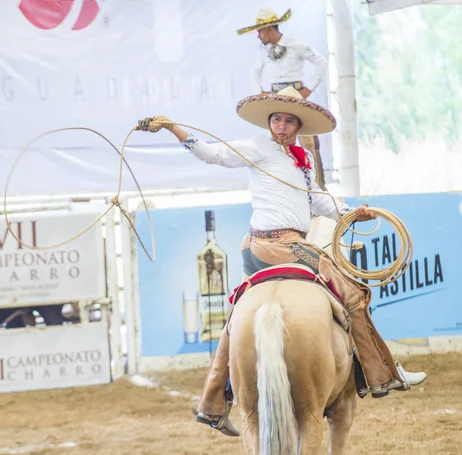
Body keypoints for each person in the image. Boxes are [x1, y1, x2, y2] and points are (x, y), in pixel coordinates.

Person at [138, 87, 427, 437]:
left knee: (239, 315)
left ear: (298, 125)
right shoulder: (258, 148)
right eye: (277, 118)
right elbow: (212, 154)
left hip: (265, 244)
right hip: (279, 244)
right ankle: (381, 374)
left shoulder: (300, 159)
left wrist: (351, 214)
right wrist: (173, 128)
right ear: (270, 121)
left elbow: (318, 203)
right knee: (352, 295)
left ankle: (212, 401)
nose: (283, 124)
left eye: (290, 120)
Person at [238, 7, 329, 188]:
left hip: (296, 95)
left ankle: (317, 187)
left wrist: (308, 89)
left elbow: (321, 63)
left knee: (308, 141)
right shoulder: (263, 50)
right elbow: (255, 72)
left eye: (260, 31)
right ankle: (285, 182)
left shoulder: (295, 44)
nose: (258, 36)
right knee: (278, 138)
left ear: (270, 28)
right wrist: (260, 92)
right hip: (276, 97)